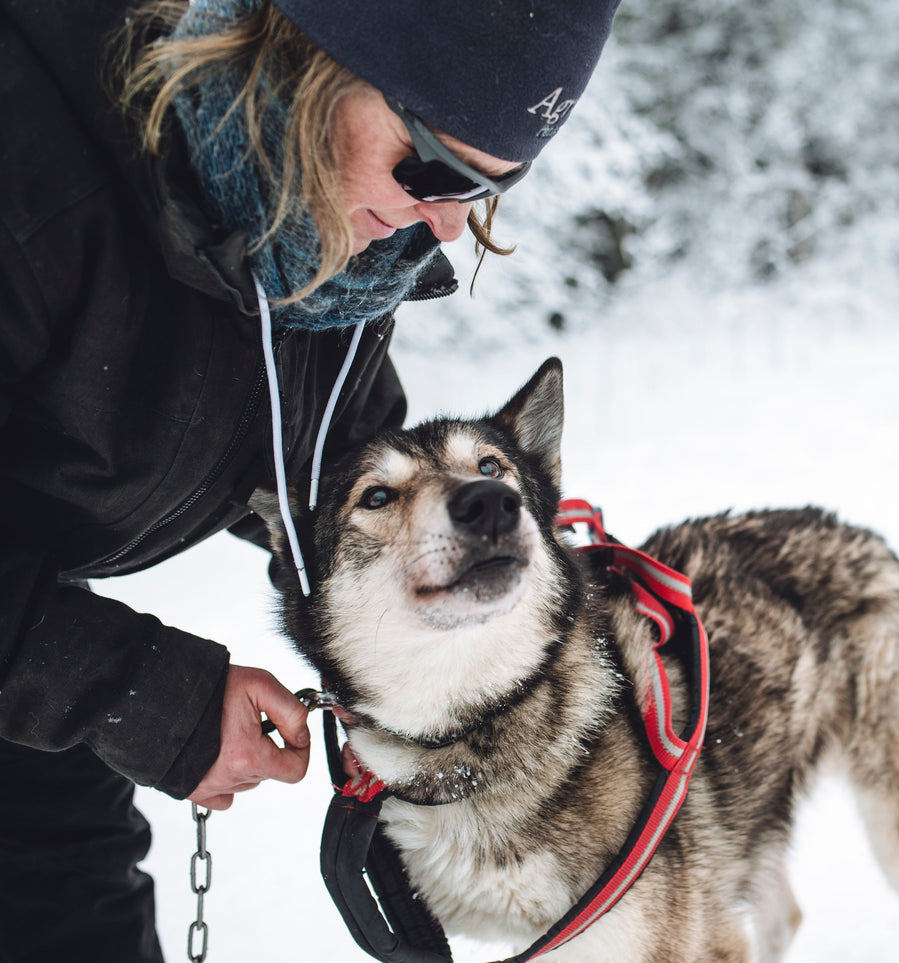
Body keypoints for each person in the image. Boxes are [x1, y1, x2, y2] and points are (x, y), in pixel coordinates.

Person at [0, 0, 620, 958]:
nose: (447, 225)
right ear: (310, 59)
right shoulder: (30, 162)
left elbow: (335, 476)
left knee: (78, 900)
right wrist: (152, 694)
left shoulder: (327, 239)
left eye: (491, 186)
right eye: (433, 168)